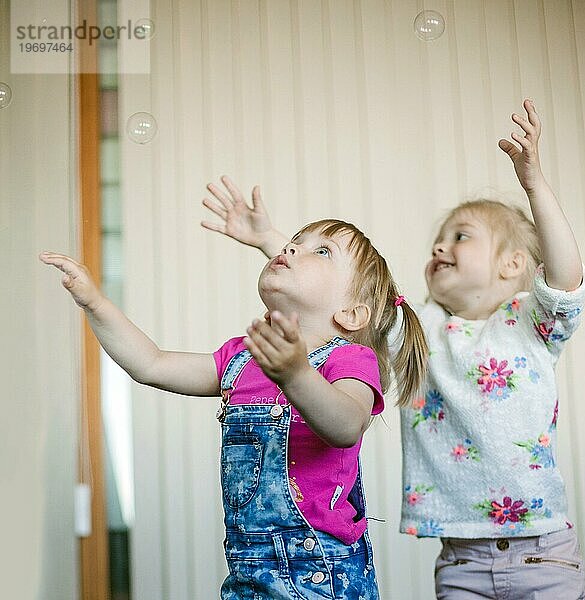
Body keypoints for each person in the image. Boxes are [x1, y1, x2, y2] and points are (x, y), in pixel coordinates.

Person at [202, 100, 585, 598]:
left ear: (514, 264)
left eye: (461, 237)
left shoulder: (530, 324)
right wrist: (270, 242)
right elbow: (345, 296)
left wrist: (533, 182)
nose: (439, 247)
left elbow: (565, 278)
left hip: (544, 550)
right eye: (438, 239)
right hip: (461, 558)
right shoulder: (422, 332)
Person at [40, 213, 428, 599]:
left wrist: (296, 376)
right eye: (295, 239)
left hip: (322, 574)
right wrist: (95, 302)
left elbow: (347, 425)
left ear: (351, 313)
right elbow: (151, 364)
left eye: (322, 251)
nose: (291, 247)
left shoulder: (350, 359)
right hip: (247, 573)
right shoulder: (241, 358)